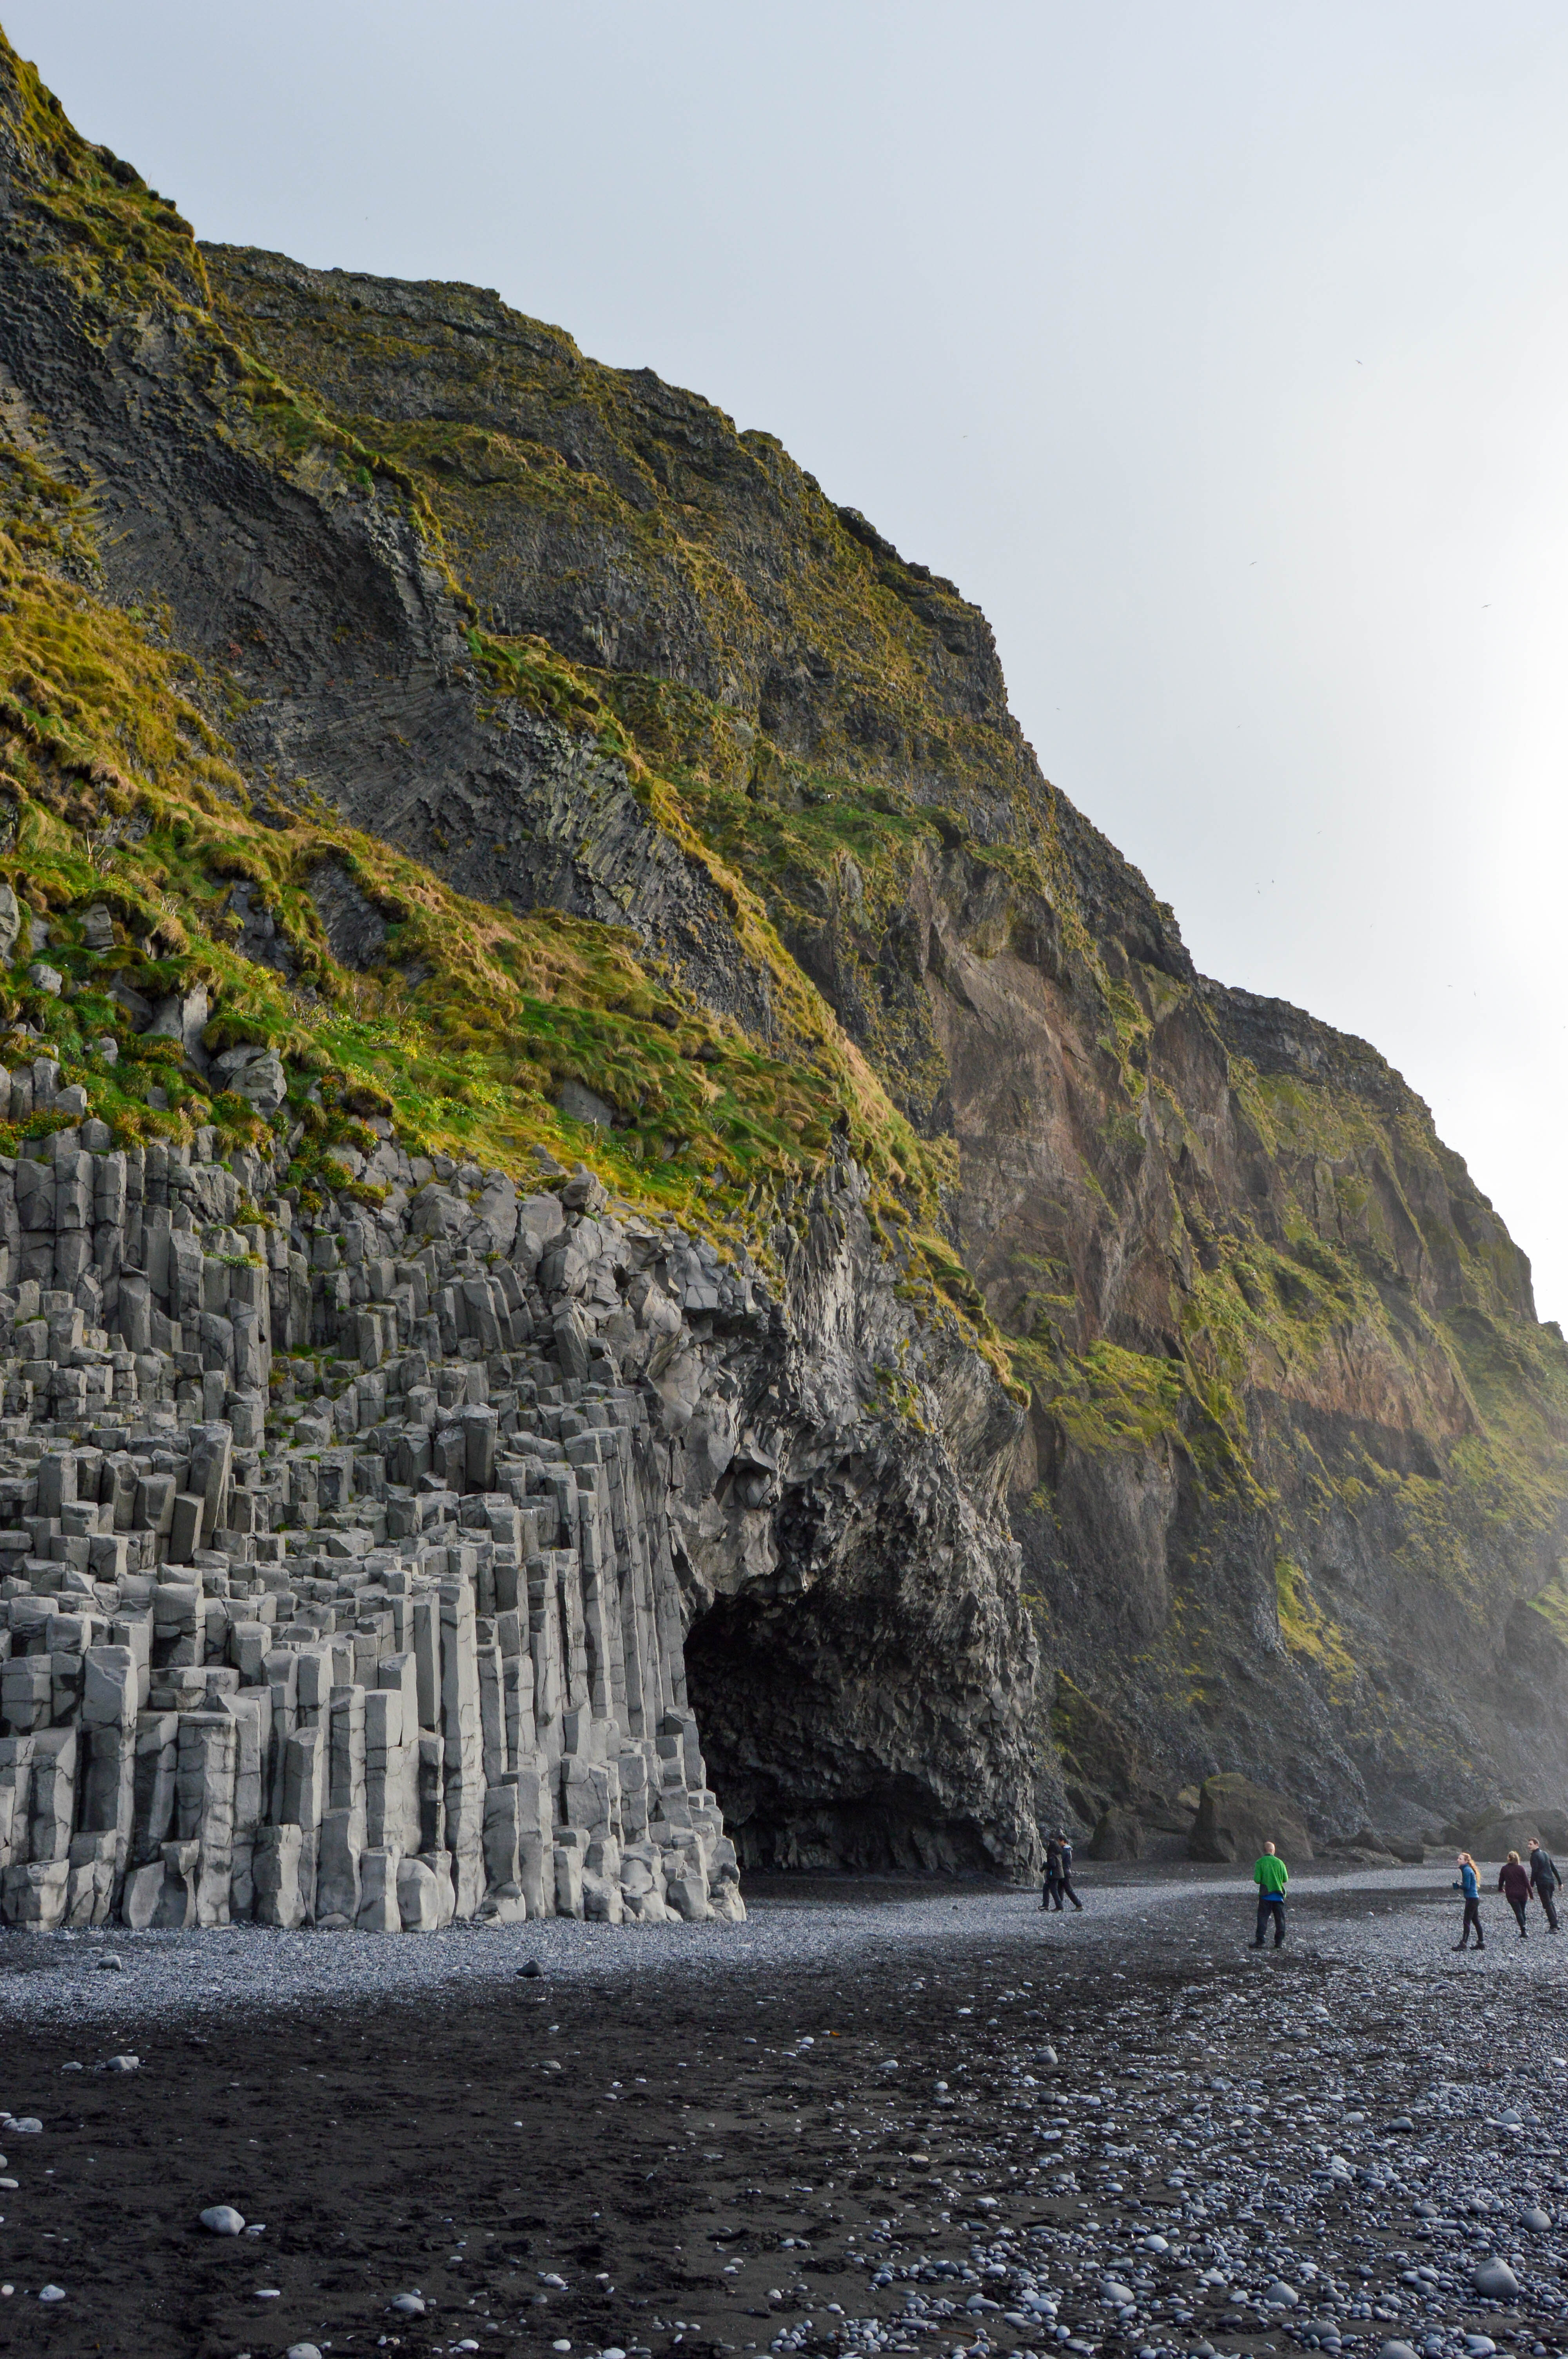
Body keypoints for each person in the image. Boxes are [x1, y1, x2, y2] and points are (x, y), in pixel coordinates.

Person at [1251, 1841, 1288, 1948]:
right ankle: (1279, 1942)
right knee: (1280, 1919)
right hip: (1278, 1895)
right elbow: (1286, 1879)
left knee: (1263, 1918)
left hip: (1265, 1895)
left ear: (1265, 1851)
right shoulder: (1280, 1863)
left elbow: (1257, 1880)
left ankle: (1260, 1940)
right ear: (1272, 1851)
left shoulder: (1260, 1862)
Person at [1528, 1837, 1561, 1933]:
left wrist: (1531, 1885)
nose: (1529, 1846)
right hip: (1551, 1882)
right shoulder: (1546, 1854)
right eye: (1529, 1844)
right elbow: (1554, 1869)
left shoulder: (1534, 1856)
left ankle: (1554, 1927)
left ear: (1537, 1845)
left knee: (1547, 1904)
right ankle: (1555, 1924)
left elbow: (1535, 1871)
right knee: (1550, 1903)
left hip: (1542, 1883)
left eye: (1531, 1844)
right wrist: (1560, 1882)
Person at [1498, 1849, 1534, 1938]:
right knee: (1522, 1911)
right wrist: (1531, 1894)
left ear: (1508, 1859)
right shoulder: (1521, 1868)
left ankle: (1523, 1930)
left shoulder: (1504, 1869)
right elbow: (1526, 1882)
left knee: (1518, 1912)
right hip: (1522, 1893)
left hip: (1511, 1894)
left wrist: (1500, 1889)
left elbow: (1501, 1881)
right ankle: (1524, 1929)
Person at [1452, 1852, 1484, 1949]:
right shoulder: (1468, 1870)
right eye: (1458, 1858)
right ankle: (1481, 1943)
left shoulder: (1466, 1870)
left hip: (1471, 1899)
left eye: (1461, 1859)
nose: (1458, 1860)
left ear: (1466, 1861)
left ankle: (1464, 1944)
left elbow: (1467, 1886)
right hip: (1474, 1898)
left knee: (1467, 1921)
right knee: (1476, 1921)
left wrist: (1458, 1886)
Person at [1058, 1832, 1083, 1913]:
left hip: (1065, 1872)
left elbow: (1060, 1860)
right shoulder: (1068, 1850)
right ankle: (1059, 1906)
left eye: (1059, 1842)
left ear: (1063, 1841)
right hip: (1066, 1871)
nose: (1058, 1844)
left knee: (1068, 1890)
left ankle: (1079, 1905)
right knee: (1061, 1889)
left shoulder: (1065, 1851)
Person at [1042, 1834, 1064, 1911]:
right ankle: (1046, 1905)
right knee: (1047, 1888)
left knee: (1053, 1890)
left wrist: (1045, 1865)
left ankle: (1059, 1907)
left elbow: (1053, 1865)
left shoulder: (1051, 1854)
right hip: (1058, 1874)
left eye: (1048, 1844)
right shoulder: (1058, 1853)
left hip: (1053, 1875)